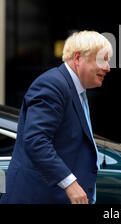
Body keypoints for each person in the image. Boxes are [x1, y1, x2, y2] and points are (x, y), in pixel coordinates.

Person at [0, 30, 112, 204]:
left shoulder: (74, 89)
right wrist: (70, 184)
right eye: (102, 60)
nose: (107, 67)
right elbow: (36, 140)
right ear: (77, 58)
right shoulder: (53, 85)